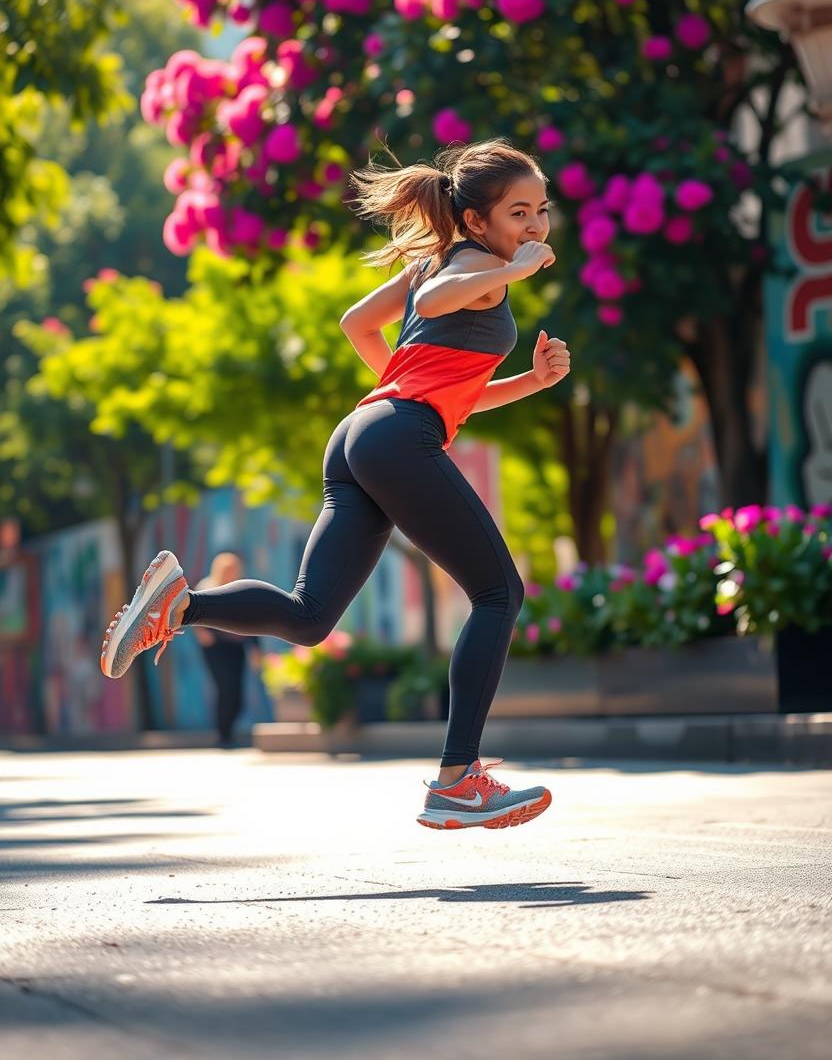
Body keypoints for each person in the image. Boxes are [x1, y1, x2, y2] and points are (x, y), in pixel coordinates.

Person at [100, 138, 571, 830]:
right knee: (500, 594)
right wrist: (515, 274)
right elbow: (441, 301)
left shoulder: (435, 260)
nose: (534, 228)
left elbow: (359, 326)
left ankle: (184, 603)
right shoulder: (477, 269)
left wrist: (526, 382)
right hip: (393, 437)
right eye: (518, 213)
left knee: (310, 613)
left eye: (541, 211)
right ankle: (458, 778)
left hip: (363, 434)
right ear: (476, 222)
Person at [192, 551, 262, 748]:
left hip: (236, 647)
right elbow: (194, 615)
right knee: (225, 688)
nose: (233, 573)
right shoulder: (206, 588)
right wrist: (201, 632)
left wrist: (255, 648)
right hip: (216, 648)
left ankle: (229, 729)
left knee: (238, 692)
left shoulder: (239, 590)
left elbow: (252, 621)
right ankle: (223, 734)